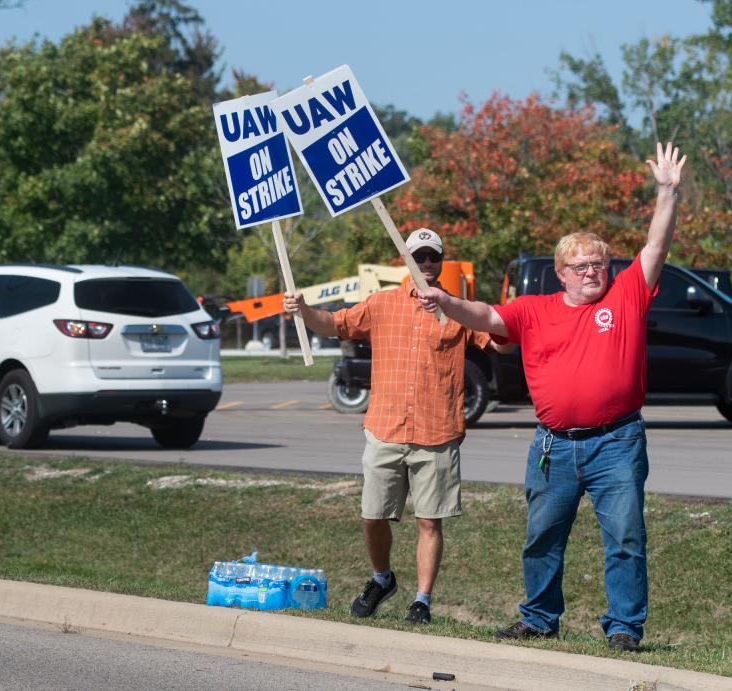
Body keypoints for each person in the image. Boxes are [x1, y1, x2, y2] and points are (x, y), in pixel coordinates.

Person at [418, 141, 687, 652]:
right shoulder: (534, 309)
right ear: (560, 273)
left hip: (617, 442)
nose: (592, 271)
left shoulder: (627, 295)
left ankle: (625, 628)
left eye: (598, 263)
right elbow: (488, 318)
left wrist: (667, 193)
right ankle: (540, 618)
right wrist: (447, 301)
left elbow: (655, 248)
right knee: (542, 537)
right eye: (581, 266)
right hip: (554, 446)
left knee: (626, 539)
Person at [283, 228, 501, 625]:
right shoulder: (381, 304)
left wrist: (513, 321)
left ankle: (422, 600)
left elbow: (500, 342)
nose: (427, 265)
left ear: (441, 261)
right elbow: (332, 324)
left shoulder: (458, 309)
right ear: (406, 261)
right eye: (419, 257)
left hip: (437, 433)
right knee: (372, 515)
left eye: (433, 257)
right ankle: (382, 578)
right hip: (385, 428)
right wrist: (303, 309)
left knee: (428, 520)